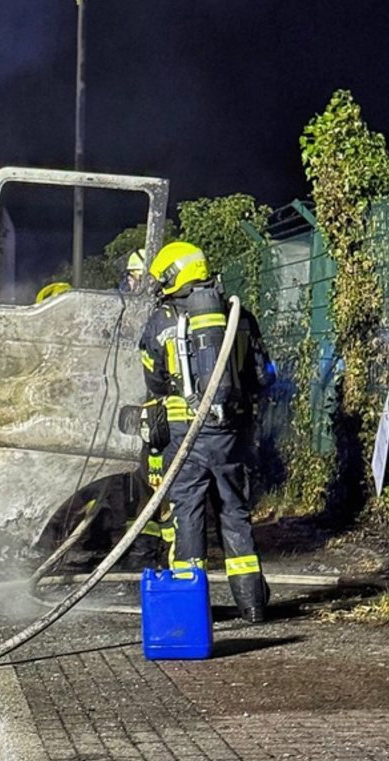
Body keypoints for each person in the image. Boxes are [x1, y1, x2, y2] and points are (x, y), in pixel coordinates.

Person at [137, 240, 275, 622]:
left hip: (185, 438)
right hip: (231, 437)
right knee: (235, 512)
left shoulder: (163, 320)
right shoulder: (239, 315)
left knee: (187, 515)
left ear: (171, 276)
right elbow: (263, 374)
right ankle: (252, 604)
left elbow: (154, 380)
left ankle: (190, 608)